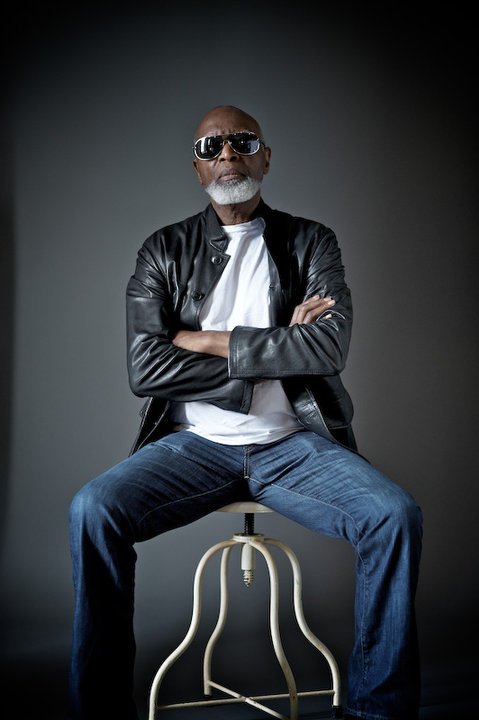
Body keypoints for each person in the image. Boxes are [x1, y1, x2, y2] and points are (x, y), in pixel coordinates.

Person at [68, 104, 423, 720]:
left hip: (292, 446)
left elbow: (328, 347)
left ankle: (377, 711)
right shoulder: (163, 250)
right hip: (193, 448)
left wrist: (206, 340)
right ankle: (99, 710)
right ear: (197, 168)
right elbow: (146, 370)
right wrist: (277, 346)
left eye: (242, 142)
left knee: (394, 516)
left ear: (265, 157)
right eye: (211, 147)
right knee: (92, 510)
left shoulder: (312, 242)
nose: (227, 153)